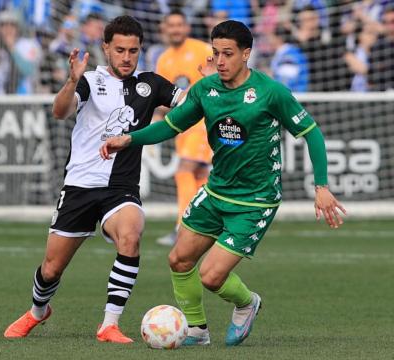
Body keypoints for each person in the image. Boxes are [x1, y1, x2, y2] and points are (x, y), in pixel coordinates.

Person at [101, 20, 346, 346]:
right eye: (216, 53)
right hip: (217, 191)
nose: (220, 61)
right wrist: (129, 139)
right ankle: (198, 331)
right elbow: (171, 126)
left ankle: (247, 303)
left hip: (256, 199)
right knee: (178, 260)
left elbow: (311, 133)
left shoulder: (270, 93)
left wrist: (322, 186)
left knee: (211, 276)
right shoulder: (206, 90)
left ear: (246, 54)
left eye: (228, 54)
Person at [4, 15, 184, 344]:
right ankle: (38, 310)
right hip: (79, 186)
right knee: (51, 268)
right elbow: (60, 112)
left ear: (141, 49)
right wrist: (71, 81)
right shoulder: (89, 80)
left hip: (121, 189)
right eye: (120, 50)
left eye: (133, 50)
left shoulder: (152, 84)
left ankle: (109, 325)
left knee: (130, 236)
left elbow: (190, 105)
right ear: (106, 48)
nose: (127, 57)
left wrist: (209, 86)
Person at [154, 10, 214, 246]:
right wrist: (157, 116)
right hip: (183, 125)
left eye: (180, 24)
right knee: (199, 175)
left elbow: (215, 81)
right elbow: (163, 97)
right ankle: (204, 225)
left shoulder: (202, 50)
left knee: (184, 169)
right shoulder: (164, 59)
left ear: (187, 27)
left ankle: (183, 227)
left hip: (202, 121)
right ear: (164, 29)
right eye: (172, 25)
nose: (176, 29)